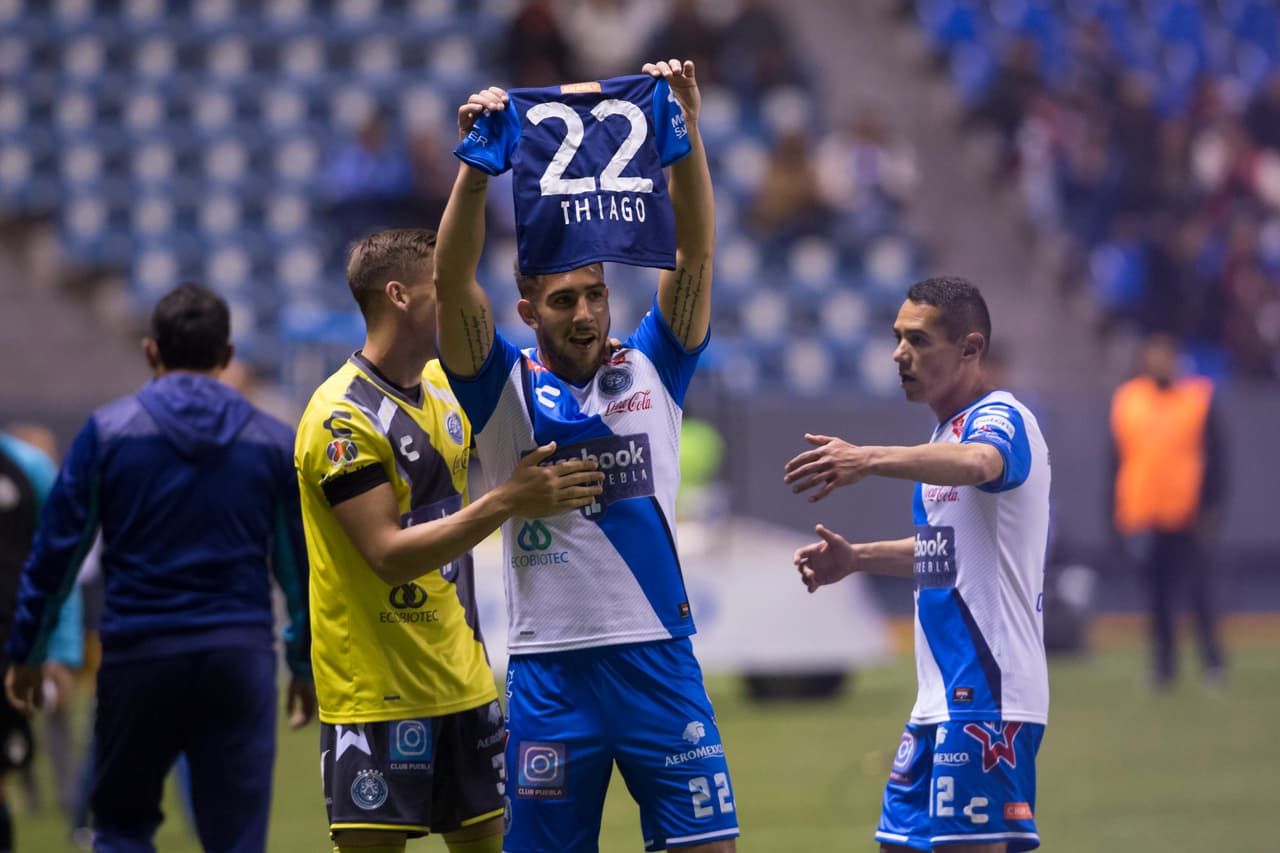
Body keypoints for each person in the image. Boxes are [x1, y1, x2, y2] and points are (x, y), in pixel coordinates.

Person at [435, 59, 740, 853]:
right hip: (550, 674)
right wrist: (475, 168)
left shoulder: (653, 367)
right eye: (563, 299)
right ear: (526, 305)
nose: (584, 313)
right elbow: (449, 281)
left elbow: (698, 250)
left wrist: (686, 134)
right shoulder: (500, 389)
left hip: (658, 661)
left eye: (595, 294)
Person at [294, 228, 604, 853]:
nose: (461, 300)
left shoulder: (444, 385)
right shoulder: (339, 417)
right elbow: (386, 556)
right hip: (375, 697)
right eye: (444, 287)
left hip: (464, 682)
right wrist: (506, 500)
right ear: (400, 295)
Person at [3, 283, 317, 853]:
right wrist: (303, 662)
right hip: (237, 657)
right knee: (236, 840)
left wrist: (27, 651)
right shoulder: (273, 440)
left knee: (122, 831)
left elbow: (56, 556)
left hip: (138, 657)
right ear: (226, 356)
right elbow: (298, 568)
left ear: (151, 351)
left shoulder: (107, 433)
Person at [784, 277, 1051, 853]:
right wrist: (857, 558)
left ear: (970, 349)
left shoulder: (1002, 418)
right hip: (938, 697)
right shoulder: (943, 435)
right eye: (897, 338)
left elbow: (983, 462)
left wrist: (869, 458)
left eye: (919, 340)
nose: (899, 354)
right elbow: (948, 557)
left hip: (988, 695)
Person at [1109, 332, 1226, 688]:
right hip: (1144, 512)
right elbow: (1115, 460)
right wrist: (1113, 510)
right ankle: (1164, 665)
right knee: (1156, 596)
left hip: (1186, 513)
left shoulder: (1198, 399)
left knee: (1198, 591)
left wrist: (1211, 506)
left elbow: (1217, 458)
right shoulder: (1128, 399)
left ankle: (1212, 662)